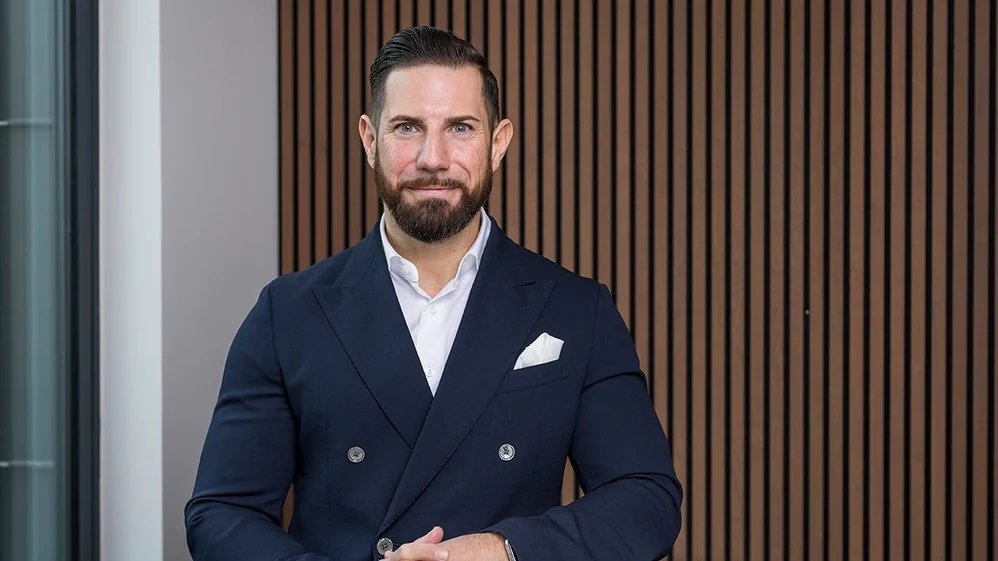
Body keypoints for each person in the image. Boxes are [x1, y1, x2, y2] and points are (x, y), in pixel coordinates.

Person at [185, 26, 682, 561]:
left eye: (460, 128)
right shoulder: (287, 314)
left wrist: (502, 550)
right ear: (369, 140)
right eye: (407, 127)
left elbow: (646, 499)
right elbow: (221, 516)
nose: (433, 158)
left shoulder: (577, 311)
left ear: (498, 143)